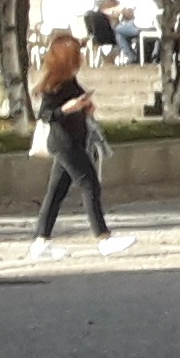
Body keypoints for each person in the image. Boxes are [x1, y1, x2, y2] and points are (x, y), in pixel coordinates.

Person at [21, 30, 127, 259]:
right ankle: (103, 238)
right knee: (89, 184)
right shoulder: (55, 84)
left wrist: (85, 107)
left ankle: (41, 240)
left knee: (56, 192)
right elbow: (46, 114)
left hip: (72, 141)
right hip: (64, 143)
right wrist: (67, 109)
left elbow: (75, 105)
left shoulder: (70, 81)